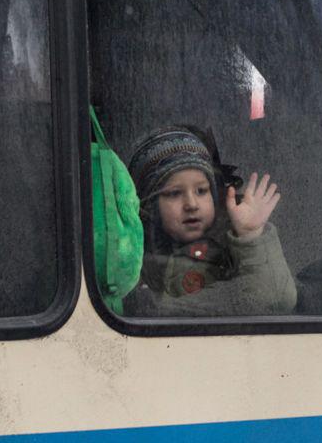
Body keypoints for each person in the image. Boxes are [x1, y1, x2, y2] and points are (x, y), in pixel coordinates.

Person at [123, 126, 296, 316]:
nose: (191, 204)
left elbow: (275, 299)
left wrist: (251, 236)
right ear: (150, 207)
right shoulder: (133, 261)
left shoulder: (231, 254)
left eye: (201, 191)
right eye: (174, 193)